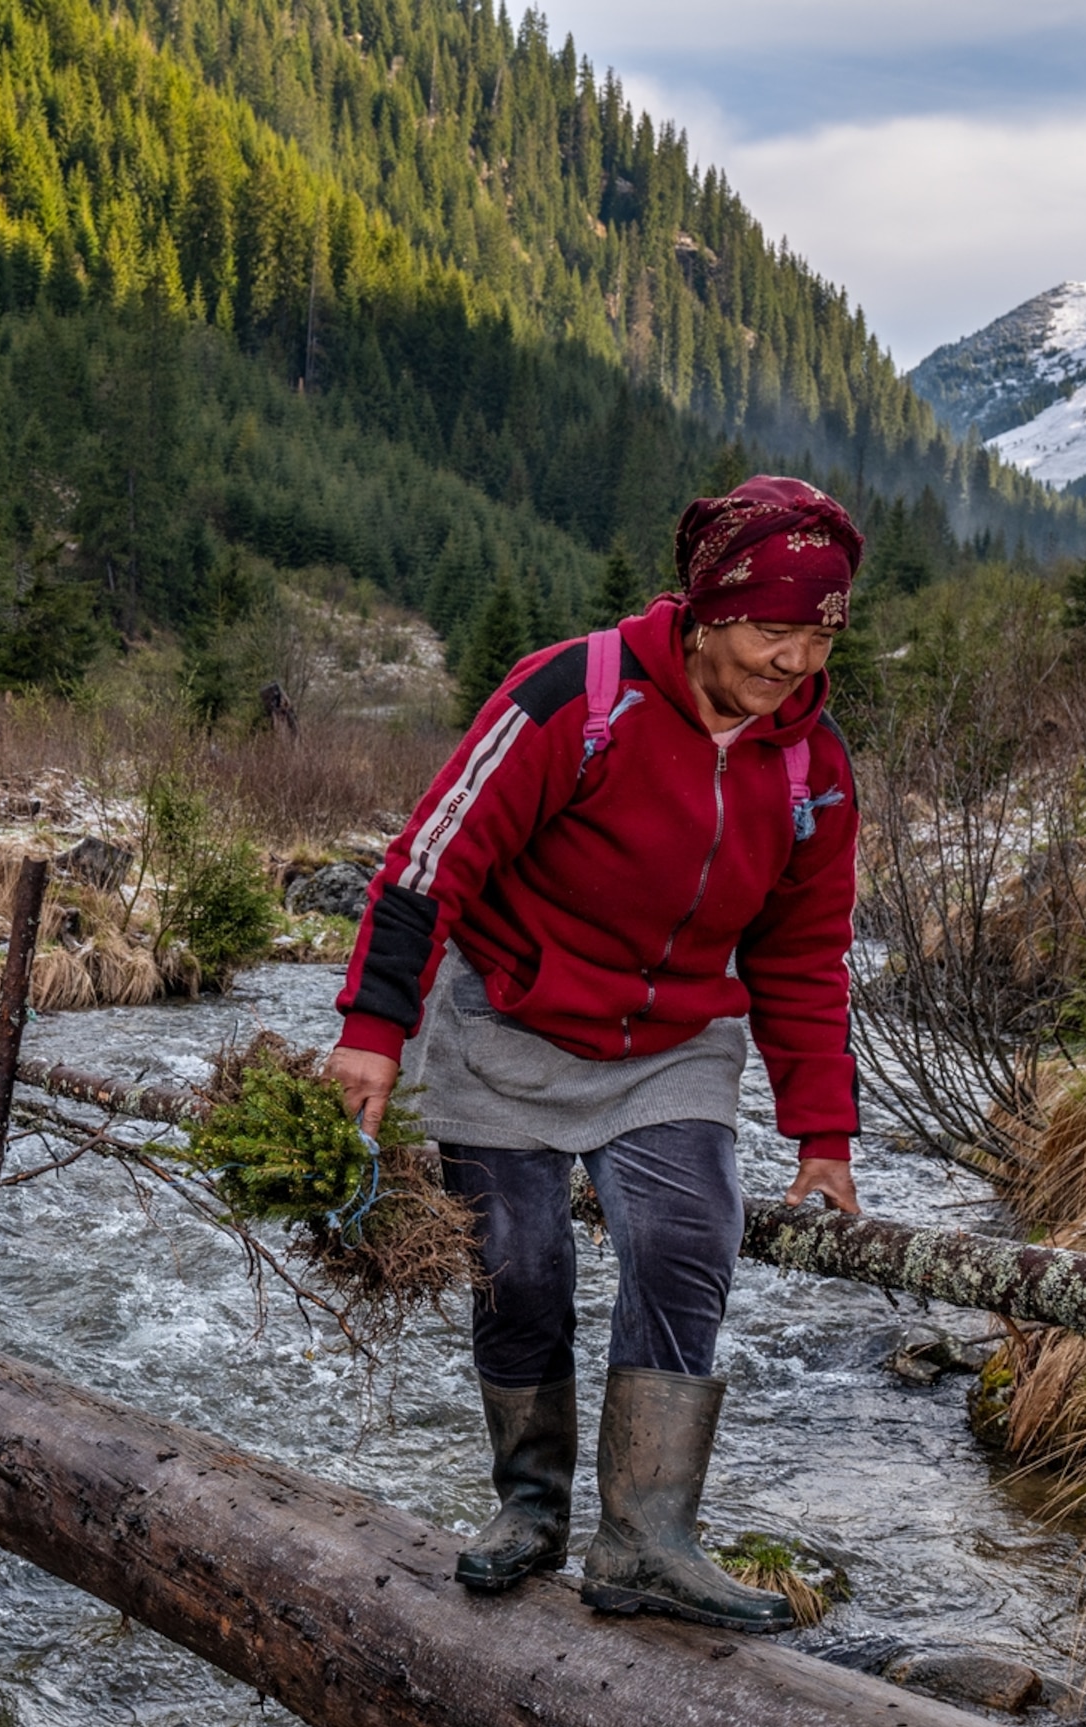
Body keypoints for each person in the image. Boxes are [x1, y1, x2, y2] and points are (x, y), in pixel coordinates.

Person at [324, 476, 867, 1633]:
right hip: (509, 1023)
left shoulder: (811, 765)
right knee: (516, 1267)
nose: (794, 658)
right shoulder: (576, 694)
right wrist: (373, 1032)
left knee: (685, 1242)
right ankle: (528, 1505)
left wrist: (825, 1132)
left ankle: (646, 1538)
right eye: (775, 628)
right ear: (710, 609)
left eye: (821, 632)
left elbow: (807, 955)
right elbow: (429, 863)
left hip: (674, 1045)